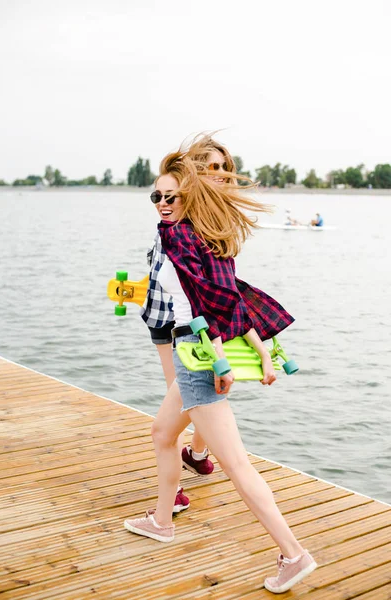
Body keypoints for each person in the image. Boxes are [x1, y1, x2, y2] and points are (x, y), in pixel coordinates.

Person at [125, 136, 317, 593]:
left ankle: (293, 554)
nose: (164, 204)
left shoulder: (180, 236)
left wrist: (222, 360)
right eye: (157, 197)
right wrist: (261, 349)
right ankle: (162, 520)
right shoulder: (204, 235)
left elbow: (213, 304)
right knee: (161, 433)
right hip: (196, 349)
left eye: (172, 196)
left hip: (198, 354)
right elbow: (227, 299)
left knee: (236, 464)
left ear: (189, 195)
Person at [139, 139, 238, 487]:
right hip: (169, 322)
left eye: (226, 168)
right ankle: (177, 484)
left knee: (200, 399)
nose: (223, 174)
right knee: (184, 403)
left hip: (196, 323)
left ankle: (195, 455)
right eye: (213, 168)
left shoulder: (213, 213)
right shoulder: (179, 209)